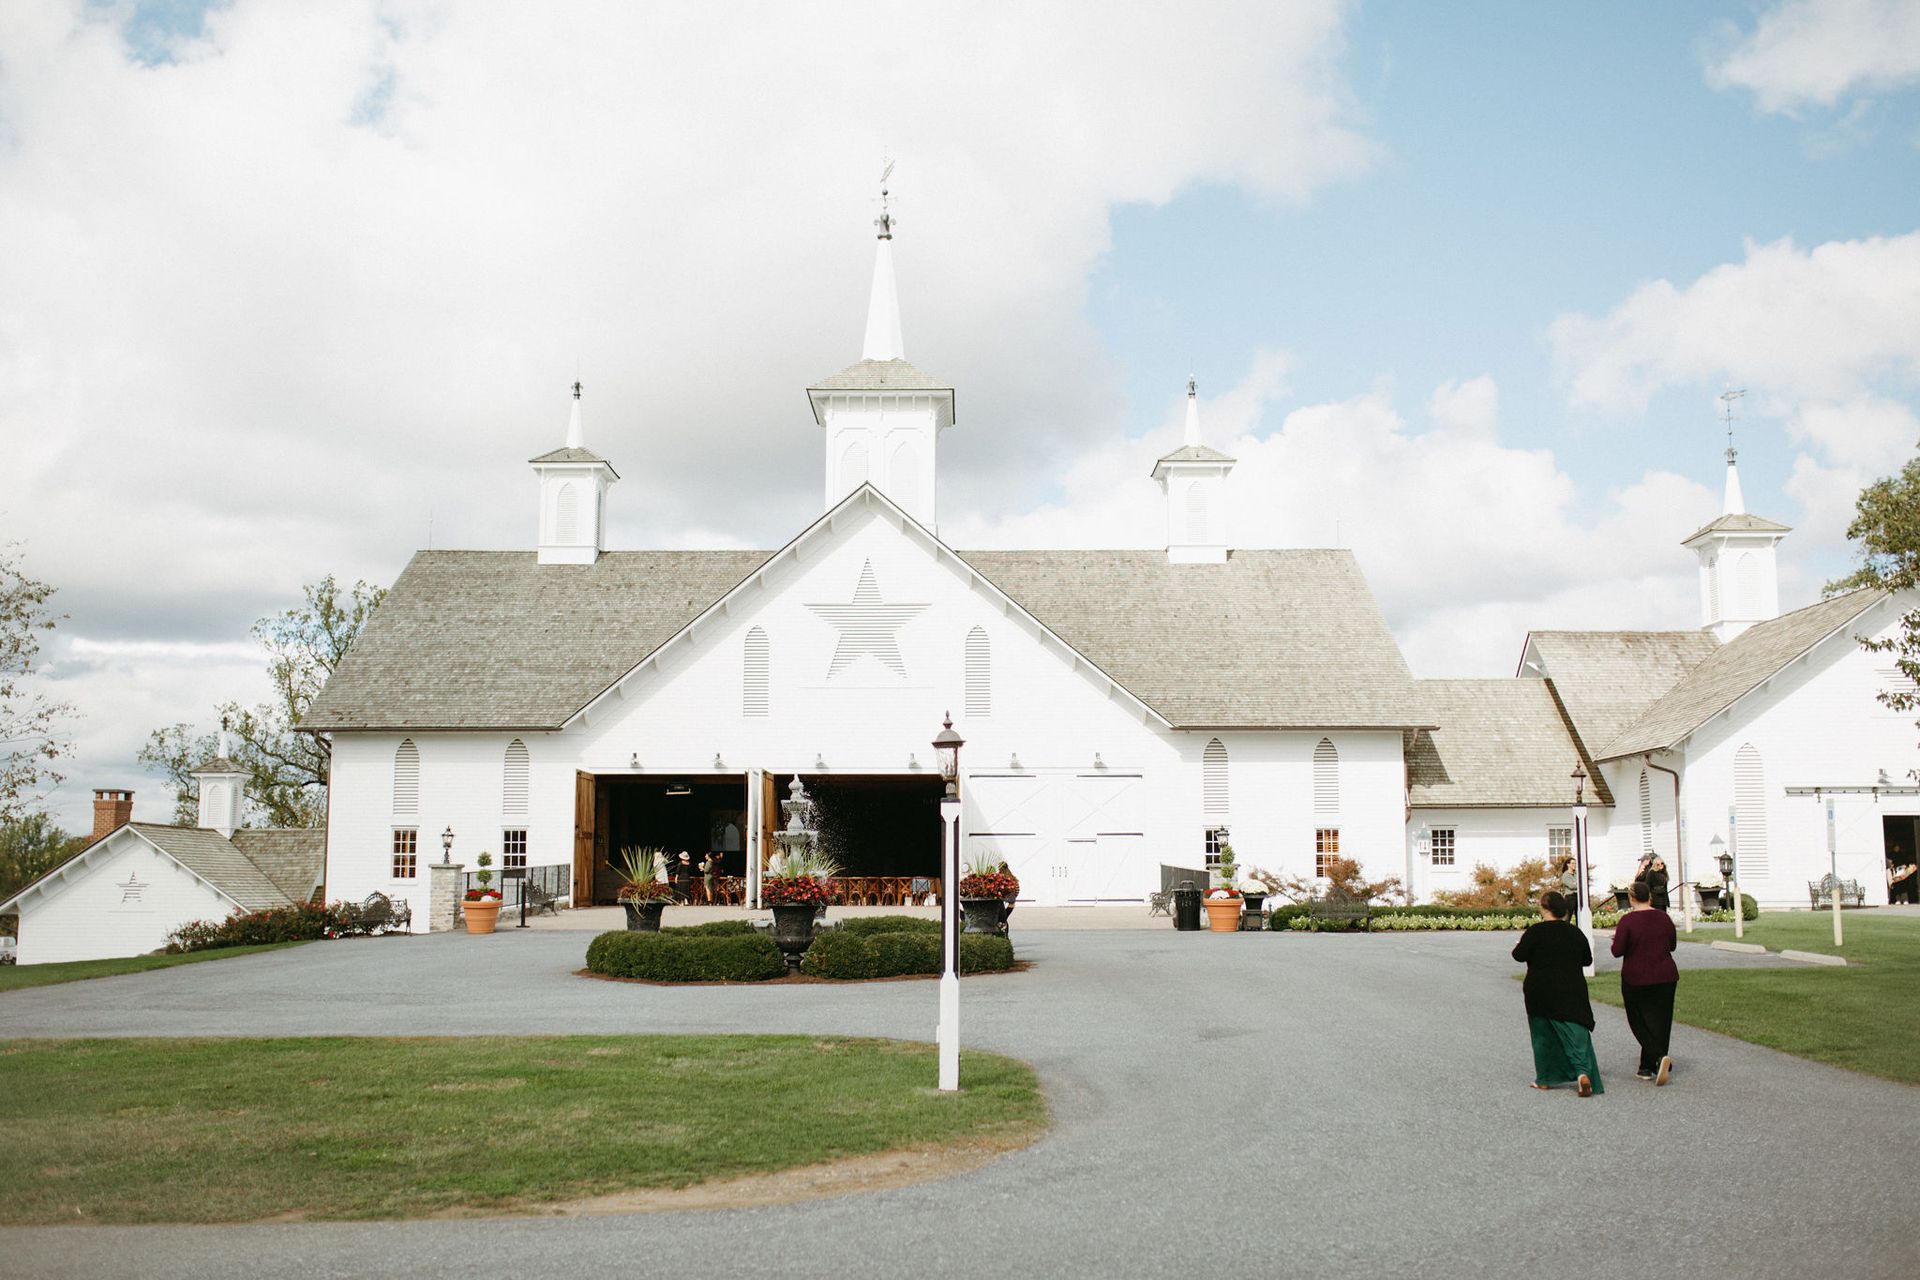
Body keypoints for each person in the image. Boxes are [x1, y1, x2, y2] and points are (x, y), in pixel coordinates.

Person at [1511, 890, 1603, 1096]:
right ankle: (1582, 1072)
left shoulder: (1536, 931)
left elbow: (1518, 955)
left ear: (1543, 909)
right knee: (1576, 1032)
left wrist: (1521, 943)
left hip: (1540, 990)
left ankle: (1544, 1078)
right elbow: (1587, 960)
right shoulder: (1575, 933)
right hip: (1571, 988)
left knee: (1542, 1035)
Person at [1611, 879, 1678, 1084]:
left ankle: (1658, 1056)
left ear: (1631, 898)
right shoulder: (1664, 918)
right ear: (1648, 896)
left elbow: (1617, 951)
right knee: (1661, 1020)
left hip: (1636, 976)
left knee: (1638, 1020)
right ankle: (1647, 1066)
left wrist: (1615, 940)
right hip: (1665, 974)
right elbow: (1672, 945)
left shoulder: (1628, 921)